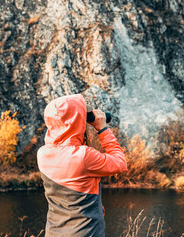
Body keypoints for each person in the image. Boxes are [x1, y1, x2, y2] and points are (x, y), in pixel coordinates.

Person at [37, 94, 127, 237]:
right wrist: (103, 129)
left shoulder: (42, 154)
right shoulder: (83, 156)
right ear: (76, 121)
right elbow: (120, 163)